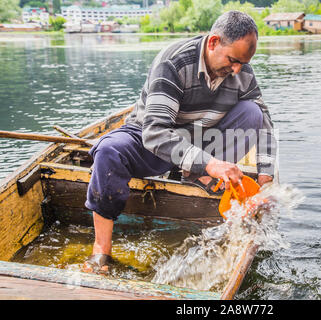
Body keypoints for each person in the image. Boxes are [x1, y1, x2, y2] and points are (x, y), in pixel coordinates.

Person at [82, 11, 277, 273]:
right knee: (108, 150)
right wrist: (210, 164)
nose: (237, 70)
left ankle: (194, 175)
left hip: (201, 139)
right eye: (233, 60)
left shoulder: (240, 70)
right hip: (152, 141)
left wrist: (265, 176)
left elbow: (263, 120)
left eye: (243, 63)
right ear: (213, 42)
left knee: (252, 111)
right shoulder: (173, 63)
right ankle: (101, 249)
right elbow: (156, 134)